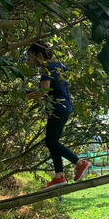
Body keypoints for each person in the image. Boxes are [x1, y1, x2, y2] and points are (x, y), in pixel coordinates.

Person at [26, 42, 92, 188]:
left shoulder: (46, 68)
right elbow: (76, 80)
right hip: (64, 107)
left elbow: (43, 91)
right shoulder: (60, 66)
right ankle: (59, 176)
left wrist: (25, 96)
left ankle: (80, 163)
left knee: (52, 142)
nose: (31, 61)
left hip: (57, 108)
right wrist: (88, 91)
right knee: (52, 141)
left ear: (40, 56)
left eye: (32, 57)